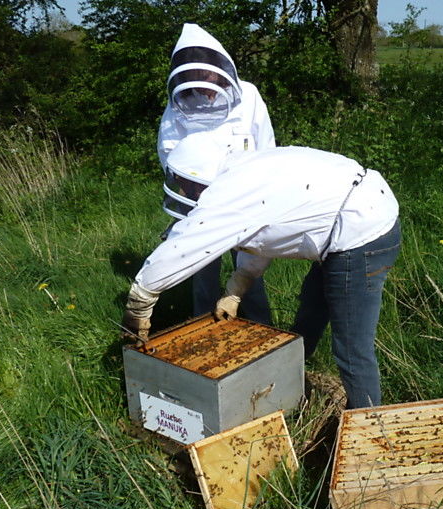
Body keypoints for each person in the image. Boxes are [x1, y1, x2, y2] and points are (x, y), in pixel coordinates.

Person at [122, 134, 401, 409]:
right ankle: (289, 380)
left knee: (352, 347)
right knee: (312, 309)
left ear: (197, 176)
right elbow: (263, 237)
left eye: (186, 184)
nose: (185, 192)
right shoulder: (247, 173)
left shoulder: (232, 190)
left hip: (360, 233)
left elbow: (186, 245)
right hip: (357, 219)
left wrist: (142, 296)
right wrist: (236, 289)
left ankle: (368, 428)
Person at [157, 23, 276, 323]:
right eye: (195, 74)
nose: (203, 80)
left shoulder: (247, 95)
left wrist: (264, 194)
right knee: (202, 273)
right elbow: (170, 152)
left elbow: (266, 145)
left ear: (219, 66)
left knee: (250, 271)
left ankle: (262, 330)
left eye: (208, 72)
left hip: (244, 200)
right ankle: (202, 330)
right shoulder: (178, 105)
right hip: (200, 205)